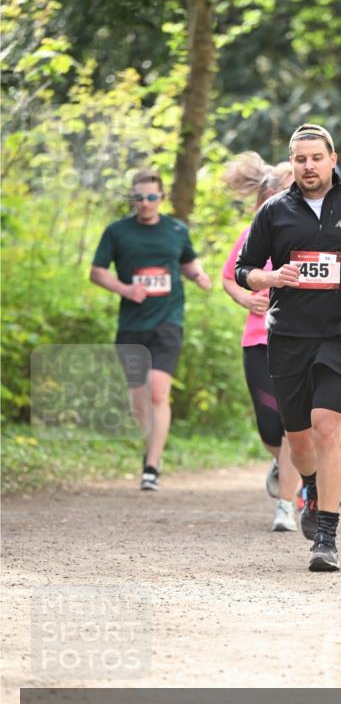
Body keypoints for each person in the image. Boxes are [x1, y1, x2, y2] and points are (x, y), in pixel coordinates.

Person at [235, 123, 341, 572]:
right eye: (300, 159)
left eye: (316, 157)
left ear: (333, 159)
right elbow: (244, 268)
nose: (308, 166)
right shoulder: (275, 211)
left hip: (340, 334)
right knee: (298, 442)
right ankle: (312, 486)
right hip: (288, 337)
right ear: (292, 163)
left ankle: (327, 538)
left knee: (326, 428)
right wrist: (270, 277)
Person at [90, 168, 211, 490]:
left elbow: (187, 262)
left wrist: (199, 276)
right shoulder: (117, 232)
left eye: (152, 197)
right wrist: (126, 289)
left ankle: (152, 467)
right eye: (140, 197)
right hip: (131, 325)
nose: (146, 203)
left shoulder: (176, 229)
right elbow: (97, 272)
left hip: (167, 320)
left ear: (162, 198)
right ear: (134, 198)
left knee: (158, 390)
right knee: (138, 402)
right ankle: (149, 450)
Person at [222, 152, 301, 531]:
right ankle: (282, 464)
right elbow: (228, 276)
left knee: (292, 425)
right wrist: (246, 297)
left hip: (299, 338)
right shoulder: (257, 231)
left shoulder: (314, 234)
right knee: (270, 427)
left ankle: (286, 504)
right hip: (258, 338)